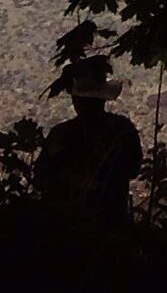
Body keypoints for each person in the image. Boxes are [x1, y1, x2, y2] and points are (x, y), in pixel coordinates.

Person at [35, 53, 144, 226]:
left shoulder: (61, 134)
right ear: (103, 99)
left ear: (76, 100)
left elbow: (42, 177)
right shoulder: (122, 129)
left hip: (67, 224)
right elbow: (133, 169)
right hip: (112, 219)